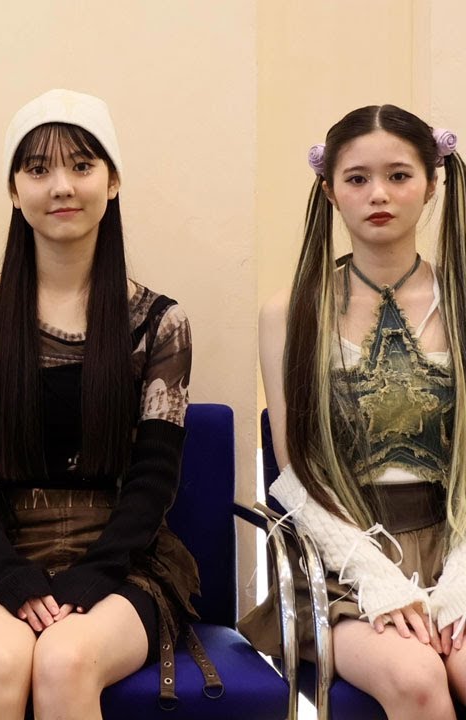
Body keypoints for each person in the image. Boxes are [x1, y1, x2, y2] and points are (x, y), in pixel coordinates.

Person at [0, 89, 214, 718]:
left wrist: (99, 571)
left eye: (82, 166)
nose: (62, 186)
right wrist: (8, 571)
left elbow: (155, 476)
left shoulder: (160, 323)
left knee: (65, 658)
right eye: (38, 169)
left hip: (126, 561)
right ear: (14, 190)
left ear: (112, 182)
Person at [241, 105, 466, 719]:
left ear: (432, 183)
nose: (379, 194)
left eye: (399, 175)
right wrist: (374, 576)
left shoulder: (461, 301)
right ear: (329, 191)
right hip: (338, 560)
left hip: (455, 543)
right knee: (417, 677)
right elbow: (294, 471)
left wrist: (458, 581)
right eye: (357, 178)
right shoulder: (290, 313)